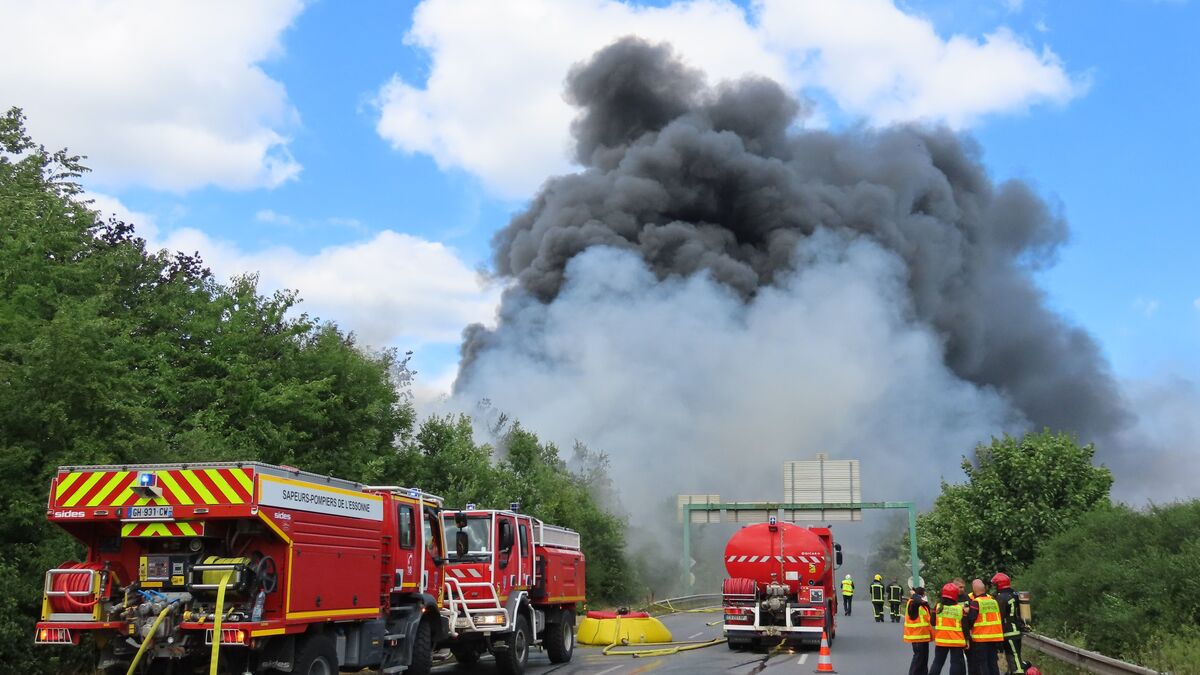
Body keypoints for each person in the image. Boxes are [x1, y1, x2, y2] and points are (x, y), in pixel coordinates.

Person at [929, 582, 977, 675]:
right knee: (955, 663)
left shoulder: (938, 606)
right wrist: (967, 639)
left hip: (941, 640)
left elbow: (932, 622)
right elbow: (965, 626)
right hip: (956, 641)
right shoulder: (959, 609)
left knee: (938, 663)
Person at [992, 573, 1026, 675]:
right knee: (1014, 656)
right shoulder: (1015, 594)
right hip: (1016, 630)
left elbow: (1000, 617)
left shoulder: (1000, 598)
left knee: (1014, 657)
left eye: (995, 585)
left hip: (1008, 632)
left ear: (999, 584)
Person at [968, 578, 1003, 675]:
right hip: (994, 638)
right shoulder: (993, 601)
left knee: (983, 664)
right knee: (993, 663)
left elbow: (971, 619)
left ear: (974, 589)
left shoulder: (976, 602)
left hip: (981, 638)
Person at [904, 585, 932, 675]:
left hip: (923, 637)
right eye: (924, 594)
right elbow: (917, 601)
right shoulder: (913, 603)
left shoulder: (922, 605)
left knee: (923, 660)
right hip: (917, 636)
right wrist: (914, 595)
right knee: (918, 659)